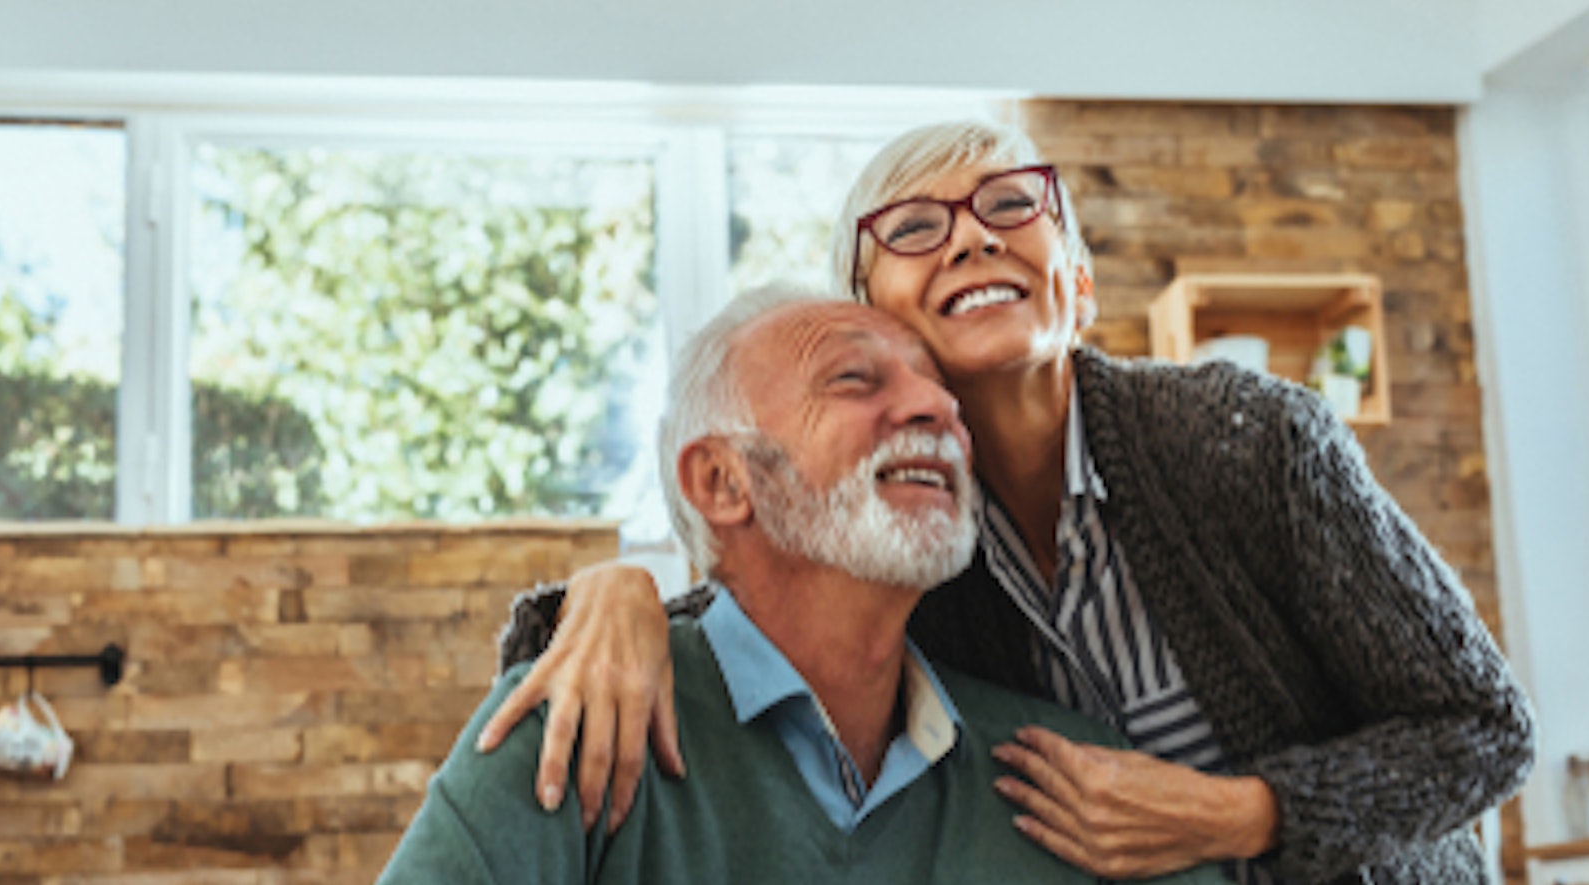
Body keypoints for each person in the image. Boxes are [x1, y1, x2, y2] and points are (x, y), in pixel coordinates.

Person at [483, 120, 1536, 884]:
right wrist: (608, 593)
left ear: (1077, 283)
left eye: (1008, 205)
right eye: (915, 227)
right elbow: (741, 626)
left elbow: (1484, 728)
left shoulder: (1250, 440)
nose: (972, 238)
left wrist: (1237, 815)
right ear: (866, 319)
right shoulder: (895, 537)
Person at [378, 288, 1224, 884]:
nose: (937, 406)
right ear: (722, 482)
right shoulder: (573, 729)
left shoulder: (1084, 782)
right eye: (856, 379)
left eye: (939, 387)